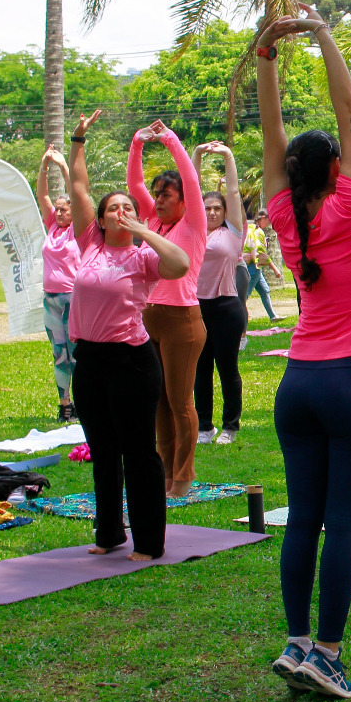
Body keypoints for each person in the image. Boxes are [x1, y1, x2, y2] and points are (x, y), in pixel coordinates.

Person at [259, 3, 351, 699]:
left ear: (290, 171)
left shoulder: (284, 210)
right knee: (343, 524)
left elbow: (272, 132)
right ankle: (330, 655)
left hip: (299, 384)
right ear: (339, 164)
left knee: (303, 520)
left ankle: (296, 640)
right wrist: (323, 36)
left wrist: (266, 58)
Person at [66, 125, 190, 561]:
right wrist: (78, 141)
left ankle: (149, 542)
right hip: (91, 361)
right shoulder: (89, 246)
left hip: (132, 362)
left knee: (139, 453)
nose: (119, 211)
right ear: (100, 220)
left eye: (127, 207)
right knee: (103, 451)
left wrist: (145, 230)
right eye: (112, 208)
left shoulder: (143, 257)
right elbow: (78, 186)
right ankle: (109, 534)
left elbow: (180, 264)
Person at [128, 121, 208, 497]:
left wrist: (171, 140)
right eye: (157, 194)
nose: (158, 200)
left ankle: (184, 475)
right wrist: (136, 144)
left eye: (166, 194)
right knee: (157, 401)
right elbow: (135, 188)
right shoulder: (153, 222)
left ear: (182, 200)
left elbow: (191, 181)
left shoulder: (193, 223)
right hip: (150, 319)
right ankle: (164, 474)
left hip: (181, 321)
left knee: (180, 401)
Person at [193, 141, 247, 445]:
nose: (212, 212)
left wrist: (228, 155)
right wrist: (198, 155)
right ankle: (204, 426)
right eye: (207, 208)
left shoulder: (233, 232)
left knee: (227, 369)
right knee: (201, 370)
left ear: (224, 212)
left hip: (227, 307)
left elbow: (234, 193)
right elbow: (189, 188)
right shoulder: (193, 231)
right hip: (197, 306)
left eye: (217, 208)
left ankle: (230, 426)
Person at [37, 141, 82, 423]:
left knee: (77, 354)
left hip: (73, 298)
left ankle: (83, 401)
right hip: (51, 298)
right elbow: (41, 194)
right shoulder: (52, 226)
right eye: (58, 209)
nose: (61, 212)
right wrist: (44, 166)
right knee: (59, 354)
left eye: (65, 209)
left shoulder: (77, 227)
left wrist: (64, 167)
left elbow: (78, 196)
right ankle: (64, 403)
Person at [243, 209, 279, 321]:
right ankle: (240, 320)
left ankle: (273, 316)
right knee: (244, 296)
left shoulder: (249, 228)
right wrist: (275, 270)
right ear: (262, 217)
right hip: (254, 266)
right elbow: (261, 254)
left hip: (250, 265)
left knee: (264, 290)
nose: (269, 223)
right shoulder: (258, 232)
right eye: (268, 220)